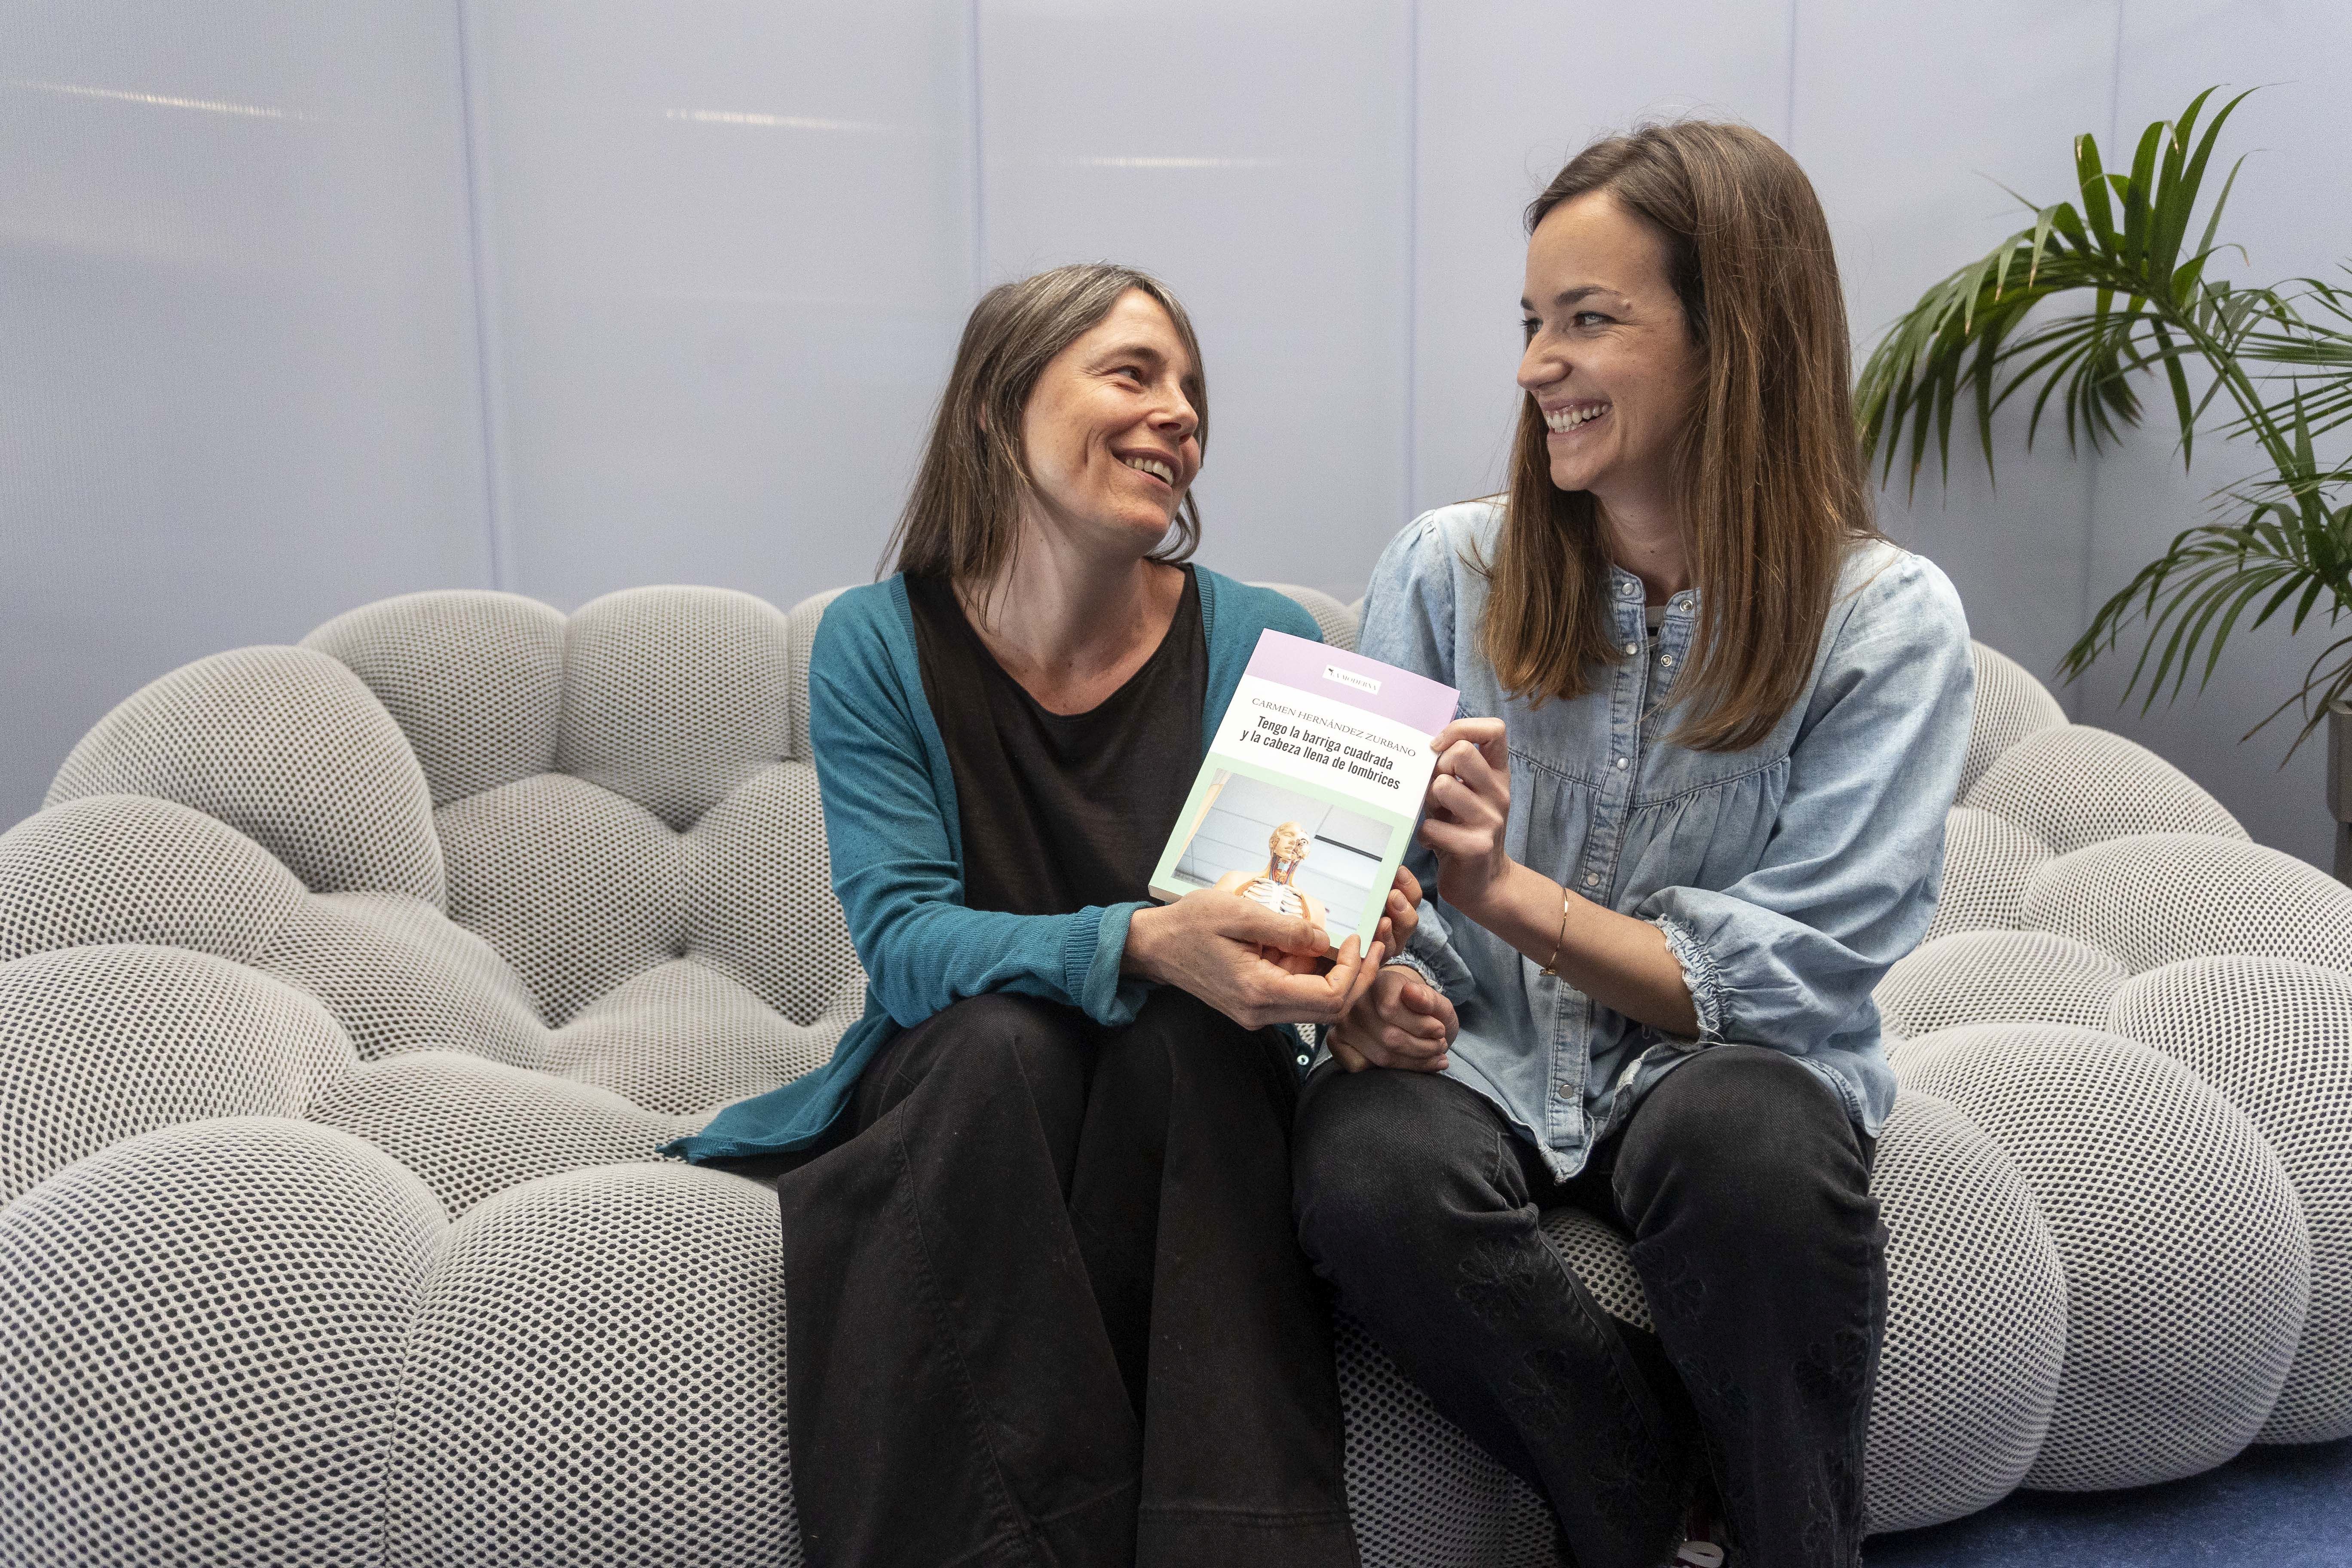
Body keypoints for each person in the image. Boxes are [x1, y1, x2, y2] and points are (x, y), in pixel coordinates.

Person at [1292, 123, 1974, 1568]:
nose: (1538, 362)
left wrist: (1505, 889)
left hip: (1712, 1070)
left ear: (1738, 341)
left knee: (1754, 1137)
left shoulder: (1886, 622)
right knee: (1363, 1167)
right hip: (1475, 1056)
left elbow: (1794, 980)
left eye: (1590, 319)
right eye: (1533, 321)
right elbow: (1353, 890)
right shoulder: (1438, 569)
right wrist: (1368, 982)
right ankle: (1647, 1486)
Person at [673, 263, 1410, 1568]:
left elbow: (1288, 938)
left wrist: (1348, 966)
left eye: (1191, 389)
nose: (1181, 413)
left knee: (1190, 1045)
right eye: (1134, 373)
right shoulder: (874, 642)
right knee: (1001, 1041)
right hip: (974, 1082)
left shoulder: (1259, 637)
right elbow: (905, 947)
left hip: (1190, 1095)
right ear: (996, 406)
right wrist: (1137, 940)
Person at [1213, 822, 1331, 966]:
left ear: (1306, 852)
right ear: (1274, 842)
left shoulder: (1316, 908)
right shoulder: (1234, 879)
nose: (1296, 842)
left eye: (1304, 841)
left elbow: (1310, 957)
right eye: (1289, 835)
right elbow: (1209, 922)